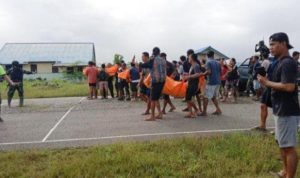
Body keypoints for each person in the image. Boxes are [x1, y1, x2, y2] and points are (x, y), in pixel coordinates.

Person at [258, 32, 299, 178]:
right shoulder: (279, 62)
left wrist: (266, 82)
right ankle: (285, 171)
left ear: (283, 43)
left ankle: (290, 176)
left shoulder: (288, 62)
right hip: (280, 109)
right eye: (270, 45)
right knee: (282, 143)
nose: (270, 48)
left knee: (288, 147)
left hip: (287, 110)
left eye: (273, 44)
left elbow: (289, 87)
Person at [252, 56, 278, 132]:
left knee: (277, 108)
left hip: (276, 86)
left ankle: (278, 129)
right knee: (263, 105)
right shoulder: (267, 62)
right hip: (269, 85)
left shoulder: (280, 62)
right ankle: (262, 126)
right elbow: (266, 74)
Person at [140, 47, 166, 121]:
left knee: (152, 99)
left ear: (153, 52)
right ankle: (160, 114)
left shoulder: (153, 60)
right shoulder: (163, 60)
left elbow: (144, 65)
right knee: (156, 98)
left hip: (155, 81)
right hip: (162, 81)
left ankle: (152, 116)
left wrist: (136, 64)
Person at [200, 51, 222, 116]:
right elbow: (219, 71)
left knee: (205, 97)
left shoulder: (208, 62)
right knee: (213, 97)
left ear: (207, 55)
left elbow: (209, 72)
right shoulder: (217, 63)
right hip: (218, 81)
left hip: (211, 82)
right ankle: (218, 110)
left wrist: (203, 74)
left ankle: (204, 112)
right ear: (213, 55)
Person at [182, 53, 201, 118]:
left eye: (189, 58)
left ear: (192, 58)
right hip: (190, 84)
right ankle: (191, 113)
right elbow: (193, 74)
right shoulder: (192, 65)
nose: (188, 59)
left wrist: (188, 76)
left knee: (188, 98)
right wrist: (186, 74)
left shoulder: (196, 65)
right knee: (188, 98)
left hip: (193, 84)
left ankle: (196, 110)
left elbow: (198, 74)